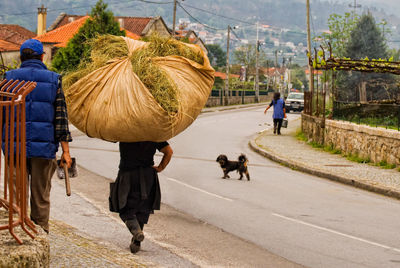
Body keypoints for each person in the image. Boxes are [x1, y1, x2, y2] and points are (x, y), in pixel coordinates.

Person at [4, 39, 72, 233]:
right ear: (42, 56)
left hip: (13, 148)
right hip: (44, 149)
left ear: (21, 57)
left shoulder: (8, 77)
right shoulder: (53, 79)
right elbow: (61, 118)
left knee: (16, 195)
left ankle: (17, 230)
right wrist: (66, 152)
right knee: (41, 195)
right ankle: (41, 231)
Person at [109, 141, 173, 253]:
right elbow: (169, 152)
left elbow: (109, 135)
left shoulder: (125, 130)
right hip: (148, 174)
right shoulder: (153, 133)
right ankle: (136, 241)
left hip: (128, 174)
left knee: (124, 207)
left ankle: (137, 233)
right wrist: (160, 167)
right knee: (143, 209)